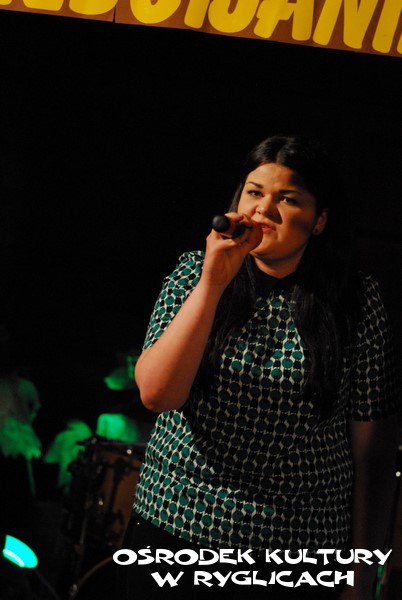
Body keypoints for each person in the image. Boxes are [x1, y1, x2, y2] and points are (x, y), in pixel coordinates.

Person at [118, 135, 399, 600]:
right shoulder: (193, 273)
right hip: (179, 526)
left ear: (319, 220)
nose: (264, 209)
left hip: (299, 547)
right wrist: (212, 283)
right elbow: (157, 395)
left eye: (288, 199)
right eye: (254, 192)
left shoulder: (357, 301)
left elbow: (374, 449)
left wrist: (363, 572)